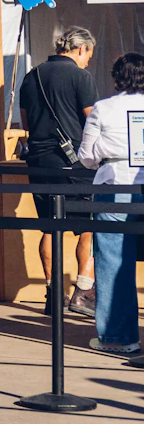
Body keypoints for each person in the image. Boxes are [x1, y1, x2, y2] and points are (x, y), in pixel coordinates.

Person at [19, 26, 98, 317]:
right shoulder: (81, 77)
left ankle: (53, 293)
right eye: (88, 55)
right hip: (73, 162)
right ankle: (84, 291)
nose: (87, 61)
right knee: (88, 226)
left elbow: (25, 122)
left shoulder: (32, 76)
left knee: (51, 226)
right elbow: (92, 121)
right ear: (81, 49)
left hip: (39, 162)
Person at [75, 52, 144, 355]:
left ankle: (119, 337)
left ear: (117, 78)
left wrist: (104, 153)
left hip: (114, 185)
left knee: (113, 263)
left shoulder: (103, 108)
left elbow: (86, 156)